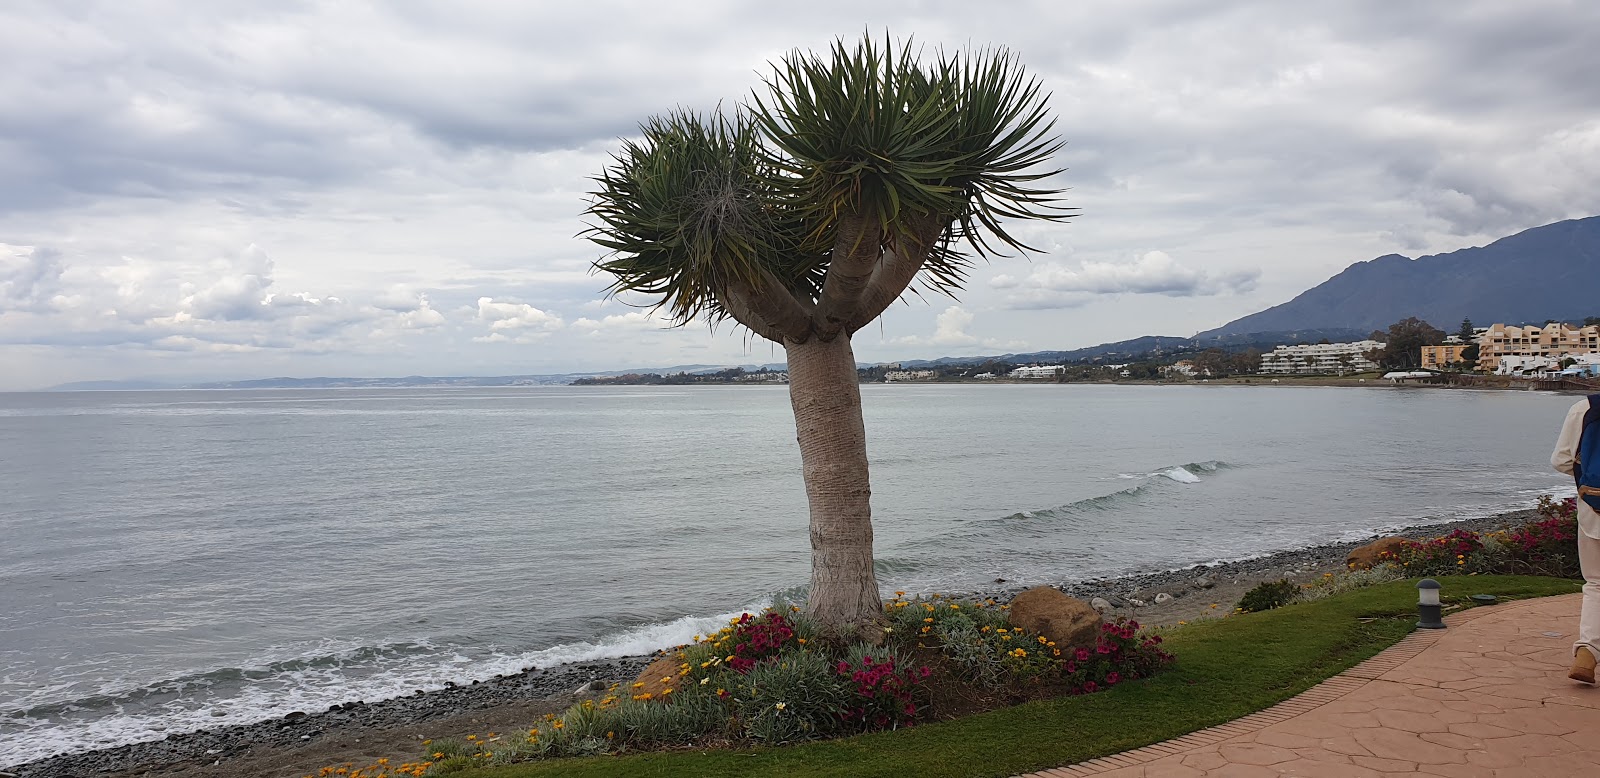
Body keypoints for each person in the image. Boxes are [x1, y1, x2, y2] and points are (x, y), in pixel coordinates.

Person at [1554, 395, 1600, 683]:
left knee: (1596, 583)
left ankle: (1588, 651)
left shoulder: (1586, 407)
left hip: (1595, 512)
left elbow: (1561, 460)